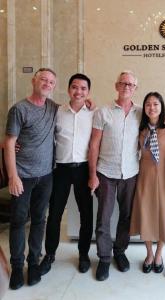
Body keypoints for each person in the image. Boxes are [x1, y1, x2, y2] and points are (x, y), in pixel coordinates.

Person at [4, 68, 58, 289]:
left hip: (46, 176)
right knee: (18, 222)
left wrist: (89, 102)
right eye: (43, 79)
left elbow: (76, 107)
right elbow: (9, 143)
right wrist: (12, 176)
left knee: (39, 220)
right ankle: (17, 267)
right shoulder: (19, 109)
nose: (47, 83)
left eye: (51, 81)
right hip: (22, 177)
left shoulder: (54, 108)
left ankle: (33, 262)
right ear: (34, 81)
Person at [39, 73, 94, 276]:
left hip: (83, 169)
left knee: (86, 215)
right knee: (54, 214)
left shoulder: (93, 112)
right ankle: (50, 255)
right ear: (69, 89)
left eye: (83, 88)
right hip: (60, 169)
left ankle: (84, 255)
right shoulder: (57, 111)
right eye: (75, 87)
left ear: (88, 92)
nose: (78, 92)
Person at [88, 71, 140, 281]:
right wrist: (93, 174)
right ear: (116, 86)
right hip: (106, 173)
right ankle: (104, 258)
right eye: (122, 83)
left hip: (131, 173)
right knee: (103, 218)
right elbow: (93, 144)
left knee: (126, 216)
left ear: (135, 88)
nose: (126, 86)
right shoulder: (103, 112)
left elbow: (159, 117)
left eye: (130, 84)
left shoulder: (140, 112)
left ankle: (119, 251)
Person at [129, 92, 165, 274]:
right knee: (146, 214)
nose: (152, 107)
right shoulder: (139, 129)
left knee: (163, 215)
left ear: (162, 106)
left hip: (164, 175)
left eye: (156, 104)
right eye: (148, 104)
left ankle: (159, 254)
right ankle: (148, 253)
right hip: (144, 176)